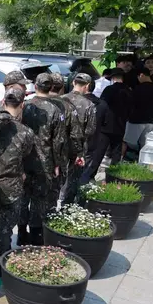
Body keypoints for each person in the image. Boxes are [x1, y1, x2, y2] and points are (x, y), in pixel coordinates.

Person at [0, 88, 37, 279]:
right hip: (11, 185)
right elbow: (27, 158)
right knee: (4, 228)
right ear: (22, 105)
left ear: (3, 103)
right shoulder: (26, 133)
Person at [18, 74, 66, 245]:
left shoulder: (25, 105)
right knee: (39, 199)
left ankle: (22, 233)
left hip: (24, 159)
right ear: (52, 87)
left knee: (23, 197)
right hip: (44, 162)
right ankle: (36, 234)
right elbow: (59, 141)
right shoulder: (56, 110)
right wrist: (58, 164)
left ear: (36, 86)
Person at [46, 73, 81, 206]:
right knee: (53, 191)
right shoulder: (68, 106)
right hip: (60, 156)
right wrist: (79, 153)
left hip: (35, 155)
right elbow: (75, 133)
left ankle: (24, 226)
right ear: (61, 87)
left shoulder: (33, 104)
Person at [61, 73, 96, 203]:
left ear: (73, 83)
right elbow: (90, 130)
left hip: (61, 145)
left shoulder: (61, 100)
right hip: (79, 147)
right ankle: (67, 205)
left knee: (60, 176)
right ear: (87, 86)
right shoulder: (89, 105)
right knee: (73, 179)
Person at [124, 67, 153, 153]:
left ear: (141, 75)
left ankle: (124, 158)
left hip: (136, 120)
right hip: (150, 121)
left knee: (127, 142)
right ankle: (141, 162)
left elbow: (131, 103)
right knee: (144, 144)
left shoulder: (138, 88)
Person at [80, 80, 110, 184]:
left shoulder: (78, 102)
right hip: (94, 140)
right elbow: (105, 123)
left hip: (77, 141)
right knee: (88, 166)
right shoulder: (102, 104)